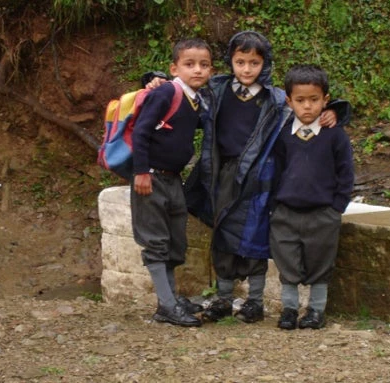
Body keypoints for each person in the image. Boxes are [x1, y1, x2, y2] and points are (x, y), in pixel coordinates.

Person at [145, 31, 339, 324]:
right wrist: (155, 79)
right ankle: (223, 299)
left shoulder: (275, 100)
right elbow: (183, 88)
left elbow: (307, 109)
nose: (247, 69)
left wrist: (335, 112)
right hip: (222, 173)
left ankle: (254, 302)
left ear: (265, 64)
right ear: (230, 62)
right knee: (222, 235)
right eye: (240, 62)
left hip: (260, 176)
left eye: (254, 63)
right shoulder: (217, 91)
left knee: (255, 236)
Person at [130, 38, 212, 327]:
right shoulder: (167, 92)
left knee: (175, 242)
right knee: (156, 241)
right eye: (189, 64)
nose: (198, 70)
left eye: (204, 65)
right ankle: (167, 305)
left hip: (173, 179)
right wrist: (141, 171)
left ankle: (170, 300)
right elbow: (141, 131)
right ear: (174, 68)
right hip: (150, 176)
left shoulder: (196, 100)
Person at [270, 64, 354, 330]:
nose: (307, 107)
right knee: (287, 261)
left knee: (321, 261)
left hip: (322, 213)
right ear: (289, 101)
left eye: (314, 100)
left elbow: (346, 171)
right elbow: (275, 168)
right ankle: (289, 309)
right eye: (300, 100)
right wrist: (275, 203)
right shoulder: (283, 133)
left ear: (325, 100)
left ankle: (316, 310)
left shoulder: (335, 134)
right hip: (286, 211)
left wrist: (336, 207)